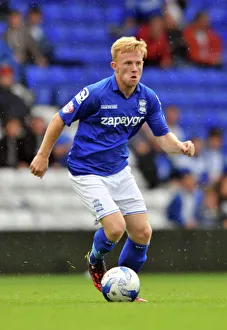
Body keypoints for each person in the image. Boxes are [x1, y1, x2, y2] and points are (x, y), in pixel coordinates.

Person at [30, 37, 195, 302]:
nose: (134, 69)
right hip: (87, 171)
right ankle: (95, 261)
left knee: (142, 232)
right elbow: (59, 118)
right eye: (127, 63)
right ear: (114, 66)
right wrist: (42, 155)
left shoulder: (147, 99)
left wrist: (180, 146)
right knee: (116, 228)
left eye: (138, 63)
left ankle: (122, 288)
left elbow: (163, 137)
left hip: (119, 170)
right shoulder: (95, 93)